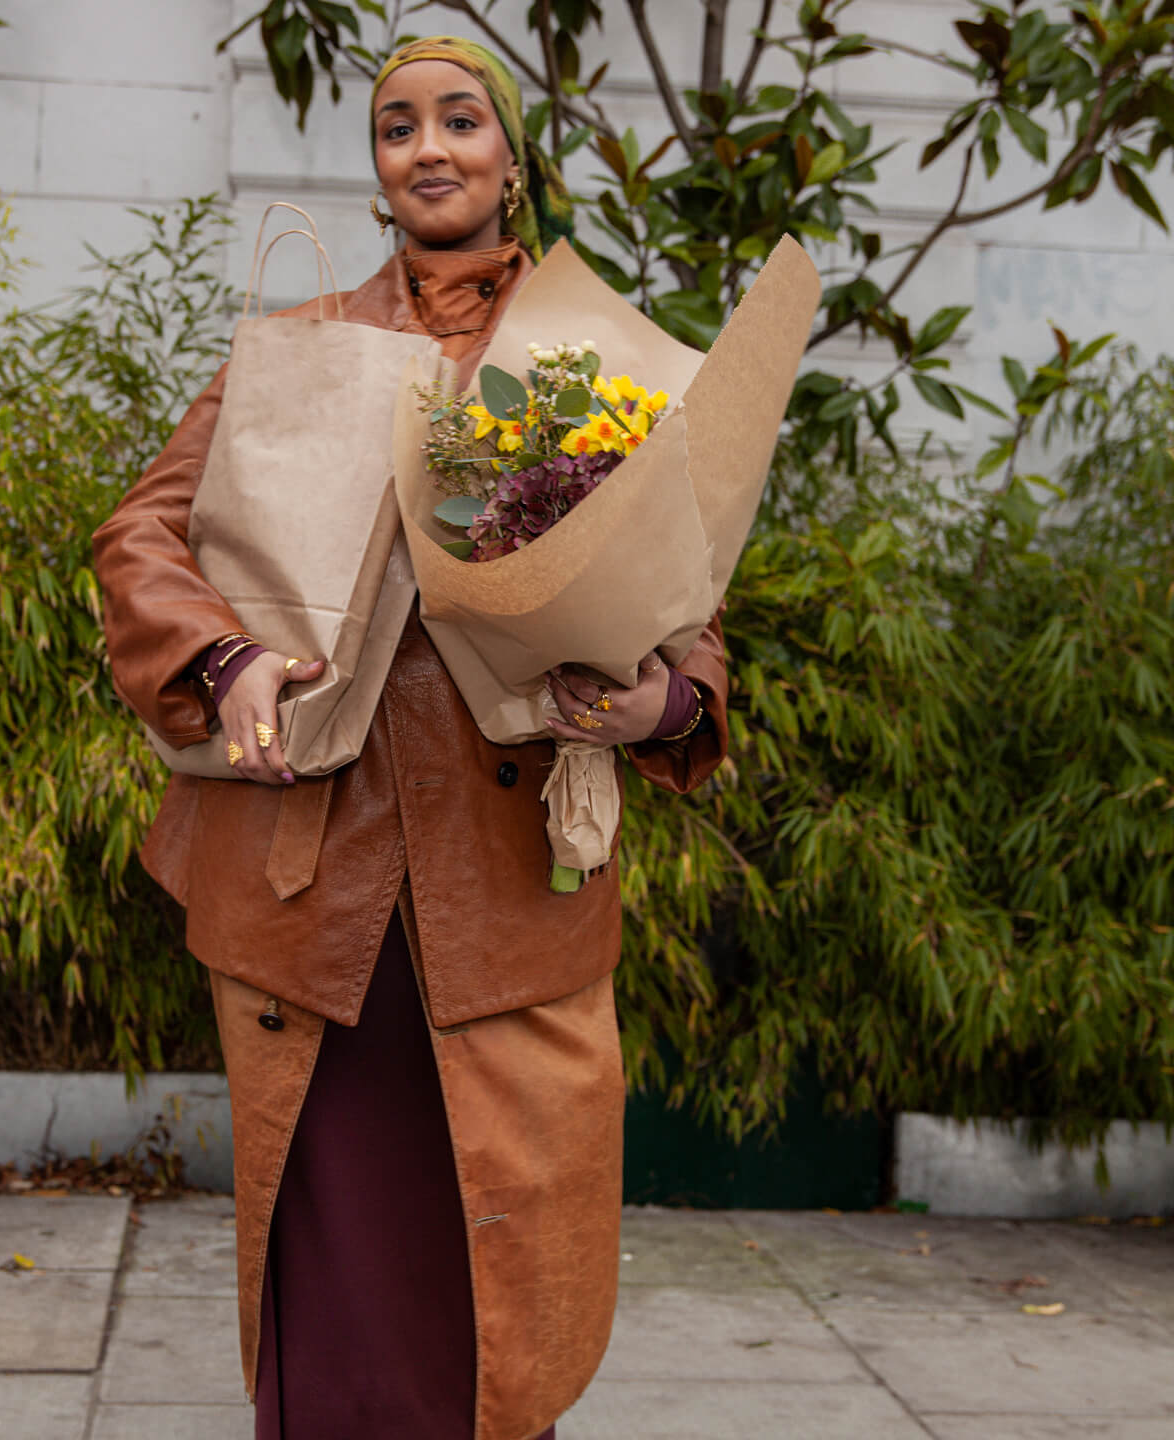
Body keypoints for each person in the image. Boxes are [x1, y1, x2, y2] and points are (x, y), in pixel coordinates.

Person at [92, 35, 729, 1440]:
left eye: (459, 119)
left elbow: (692, 601)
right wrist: (229, 654)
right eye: (397, 126)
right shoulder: (300, 346)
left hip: (511, 890)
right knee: (337, 1271)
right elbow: (142, 531)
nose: (429, 147)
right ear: (376, 168)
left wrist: (659, 707)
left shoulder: (598, 362)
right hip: (314, 883)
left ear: (513, 153)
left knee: (501, 1274)